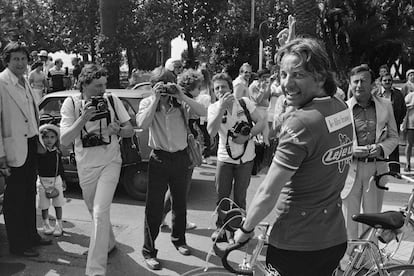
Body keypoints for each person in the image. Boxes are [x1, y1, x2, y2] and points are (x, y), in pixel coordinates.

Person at [234, 38, 354, 276]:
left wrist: (246, 229)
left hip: (296, 244)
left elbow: (268, 191)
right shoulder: (340, 108)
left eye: (297, 75)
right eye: (283, 74)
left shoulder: (300, 123)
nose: (287, 83)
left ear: (320, 77)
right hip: (333, 238)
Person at [60, 63, 134, 276]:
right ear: (83, 85)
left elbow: (130, 129)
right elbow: (65, 140)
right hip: (85, 165)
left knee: (101, 212)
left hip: (111, 162)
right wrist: (83, 117)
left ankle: (95, 270)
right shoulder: (71, 104)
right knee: (94, 210)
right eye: (97, 86)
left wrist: (118, 129)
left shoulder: (112, 99)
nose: (102, 90)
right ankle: (109, 242)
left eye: (104, 85)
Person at [136, 68, 206, 270]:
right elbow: (141, 124)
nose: (165, 89)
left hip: (181, 158)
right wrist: (156, 99)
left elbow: (203, 112)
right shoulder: (148, 103)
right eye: (161, 85)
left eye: (168, 84)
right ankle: (149, 250)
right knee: (154, 208)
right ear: (153, 86)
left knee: (180, 203)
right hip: (159, 158)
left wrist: (181, 94)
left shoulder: (181, 103)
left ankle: (179, 240)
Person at [0, 41, 52, 257]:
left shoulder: (25, 80)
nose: (21, 63)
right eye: (16, 59)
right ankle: (18, 245)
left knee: (29, 193)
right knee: (14, 199)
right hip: (13, 148)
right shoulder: (2, 83)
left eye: (23, 59)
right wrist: (1, 155)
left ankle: (31, 234)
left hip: (30, 143)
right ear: (7, 61)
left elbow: (31, 113)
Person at [342, 64, 398, 257]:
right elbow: (333, 142)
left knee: (374, 217)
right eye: (355, 81)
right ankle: (348, 260)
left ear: (372, 83)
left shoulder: (386, 105)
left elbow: (394, 137)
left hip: (376, 170)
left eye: (363, 81)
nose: (359, 85)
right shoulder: (341, 109)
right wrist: (350, 150)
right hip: (350, 170)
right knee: (350, 217)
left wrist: (381, 148)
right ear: (350, 84)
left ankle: (369, 259)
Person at [208, 73, 265, 242]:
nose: (220, 91)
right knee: (222, 196)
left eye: (223, 87)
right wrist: (221, 109)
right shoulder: (213, 108)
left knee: (240, 197)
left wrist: (247, 136)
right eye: (216, 88)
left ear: (230, 88)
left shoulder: (244, 103)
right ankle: (221, 229)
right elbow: (211, 132)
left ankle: (236, 230)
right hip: (224, 158)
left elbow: (261, 122)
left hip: (246, 159)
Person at [161, 69, 206, 231]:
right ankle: (176, 220)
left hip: (182, 148)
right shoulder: (186, 101)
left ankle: (162, 218)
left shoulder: (179, 99)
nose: (200, 91)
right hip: (186, 150)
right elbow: (202, 113)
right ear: (191, 87)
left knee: (176, 189)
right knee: (181, 189)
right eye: (199, 87)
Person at [373, 73, 406, 172]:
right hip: (379, 125)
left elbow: (403, 109)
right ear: (381, 82)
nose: (387, 82)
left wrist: (398, 121)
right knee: (379, 147)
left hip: (394, 124)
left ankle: (394, 171)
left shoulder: (398, 94)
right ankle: (378, 171)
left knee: (394, 147)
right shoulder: (375, 93)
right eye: (385, 80)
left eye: (389, 80)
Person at [37, 124, 66, 237]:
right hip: (42, 181)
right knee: (44, 205)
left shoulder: (57, 152)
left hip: (55, 180)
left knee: (58, 203)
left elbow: (61, 167)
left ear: (56, 138)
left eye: (52, 137)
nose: (49, 140)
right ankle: (46, 224)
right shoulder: (39, 153)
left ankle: (59, 224)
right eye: (46, 137)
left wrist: (63, 180)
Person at [249, 68, 272, 146]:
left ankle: (267, 149)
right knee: (261, 132)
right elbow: (257, 100)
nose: (266, 79)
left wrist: (269, 85)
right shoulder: (254, 86)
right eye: (264, 77)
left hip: (265, 110)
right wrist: (262, 89)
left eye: (268, 76)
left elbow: (266, 96)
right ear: (259, 77)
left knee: (267, 132)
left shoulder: (265, 84)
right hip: (257, 110)